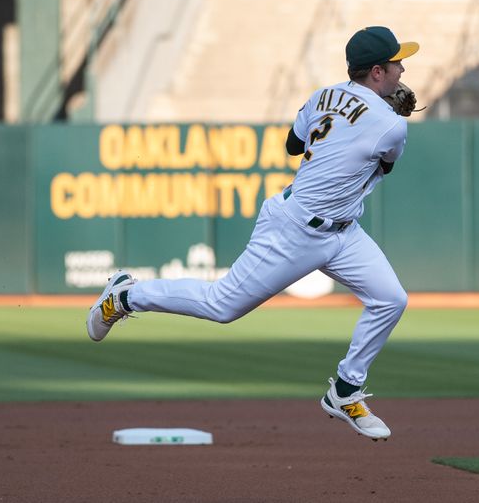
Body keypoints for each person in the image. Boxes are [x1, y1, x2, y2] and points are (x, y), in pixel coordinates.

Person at [86, 26, 419, 441]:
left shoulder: (322, 95)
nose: (403, 69)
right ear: (376, 72)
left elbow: (293, 145)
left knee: (390, 299)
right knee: (221, 305)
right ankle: (125, 295)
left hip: (344, 231)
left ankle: (345, 389)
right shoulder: (392, 125)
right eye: (396, 64)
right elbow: (384, 164)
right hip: (295, 230)